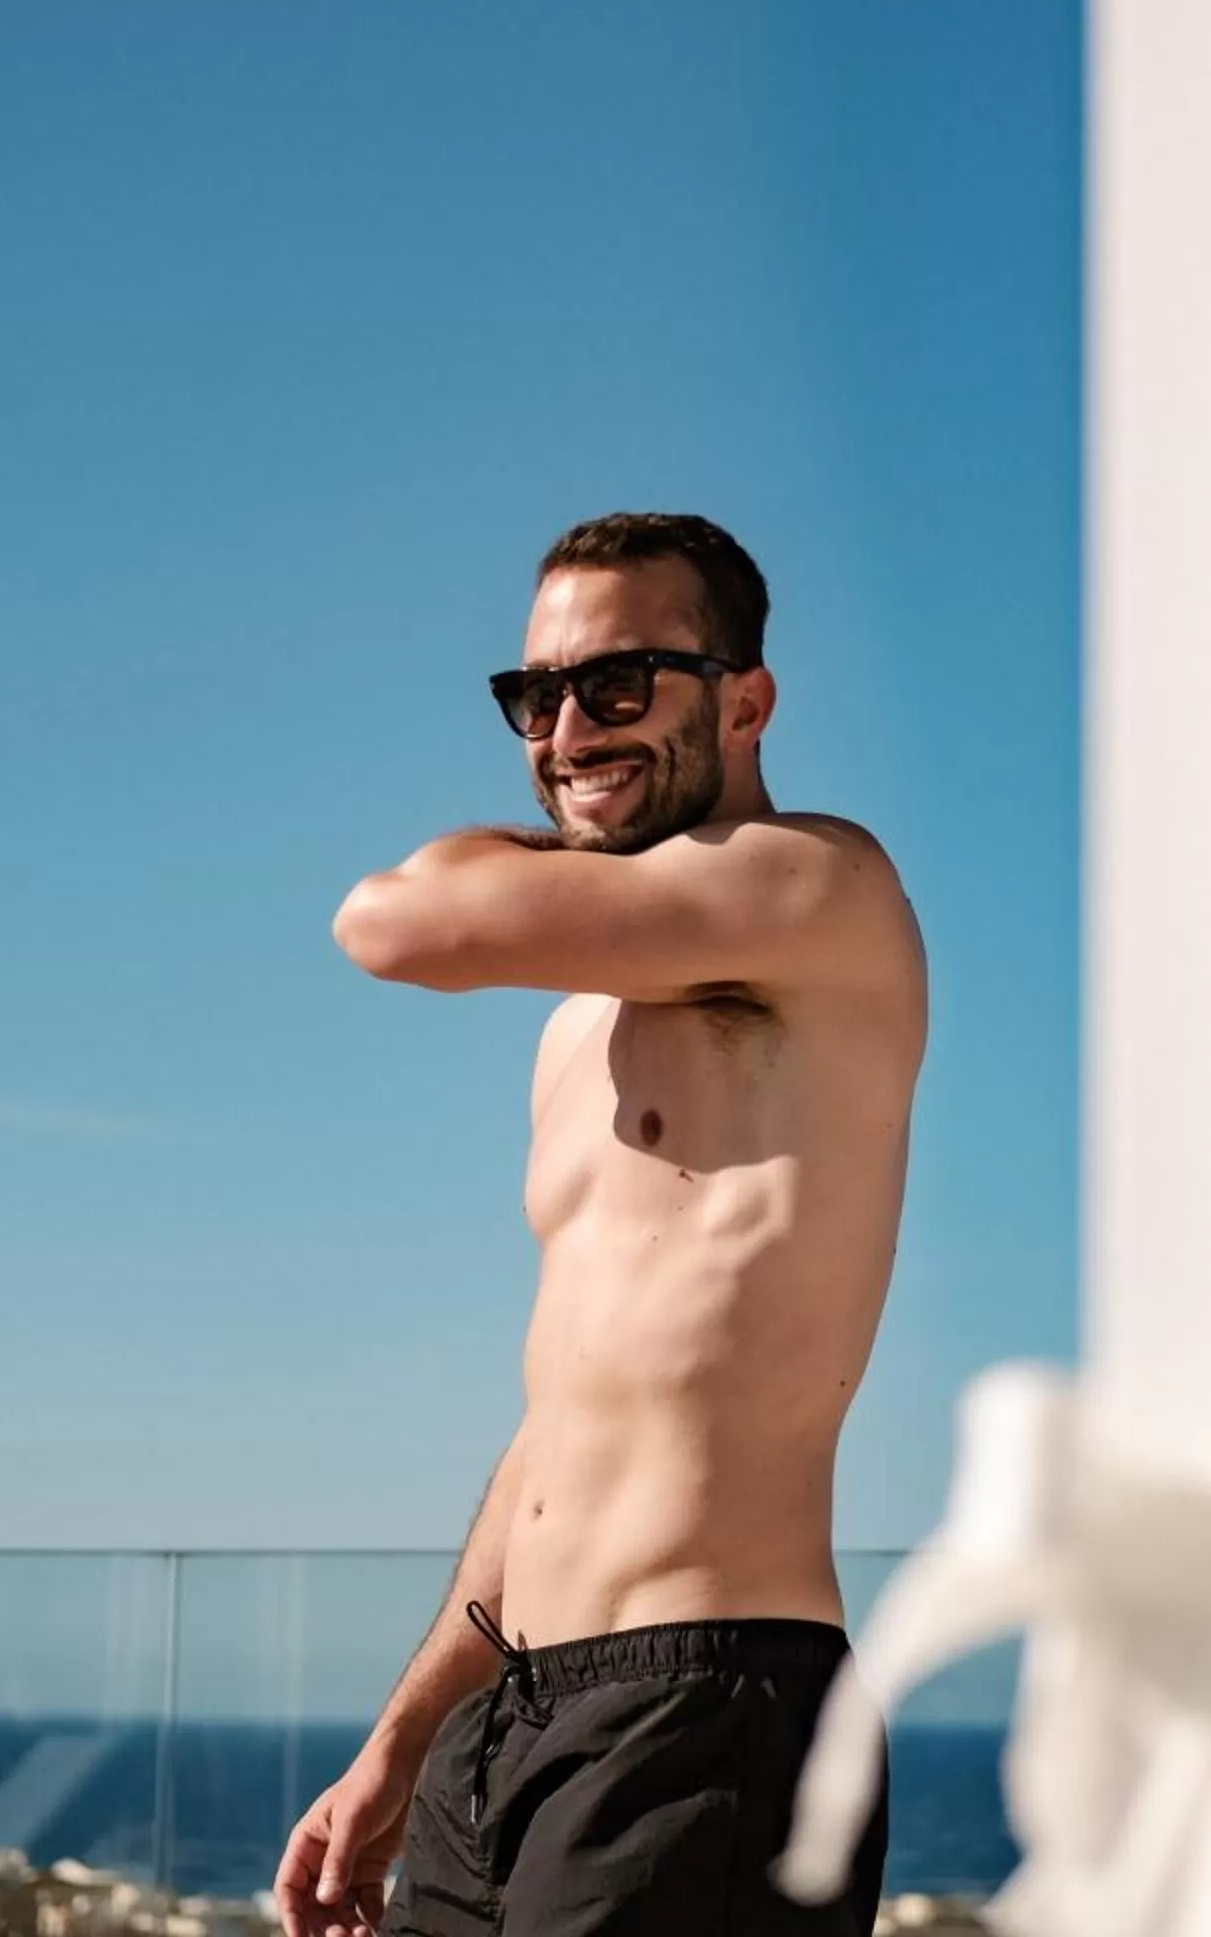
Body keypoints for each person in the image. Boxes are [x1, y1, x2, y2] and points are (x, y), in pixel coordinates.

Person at [276, 513, 927, 1936]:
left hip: (705, 1709)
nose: (569, 731)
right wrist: (401, 1745)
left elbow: (387, 925)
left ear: (746, 701)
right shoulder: (578, 1029)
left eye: (618, 685)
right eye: (537, 696)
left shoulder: (815, 885)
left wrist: (529, 850)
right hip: (508, 1724)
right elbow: (566, 1427)